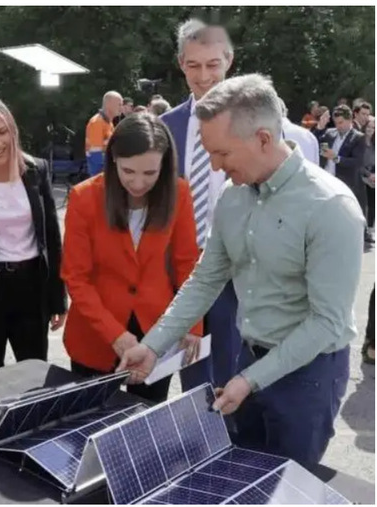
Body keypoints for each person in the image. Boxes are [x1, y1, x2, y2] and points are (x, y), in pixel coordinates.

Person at [119, 74, 365, 471]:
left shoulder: (330, 207)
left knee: (289, 485)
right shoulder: (232, 197)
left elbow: (326, 322)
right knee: (241, 476)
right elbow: (205, 279)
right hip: (247, 361)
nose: (215, 166)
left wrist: (250, 380)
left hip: (308, 377)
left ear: (263, 139)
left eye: (222, 153)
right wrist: (152, 346)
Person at [61, 113, 203, 402]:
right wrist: (115, 334)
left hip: (156, 330)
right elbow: (76, 278)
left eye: (150, 173)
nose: (138, 183)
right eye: (128, 171)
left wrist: (192, 324)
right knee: (92, 417)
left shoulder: (179, 193)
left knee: (146, 415)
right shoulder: (84, 197)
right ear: (113, 159)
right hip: (96, 332)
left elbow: (187, 264)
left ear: (165, 165)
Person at [159, 18, 241, 391]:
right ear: (181, 64)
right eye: (193, 65)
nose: (204, 76)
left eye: (212, 64)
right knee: (191, 378)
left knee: (233, 378)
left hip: (236, 276)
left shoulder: (254, 125)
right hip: (180, 274)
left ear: (229, 60)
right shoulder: (165, 127)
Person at [0, 95, 67, 370]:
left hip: (32, 287)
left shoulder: (36, 170)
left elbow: (52, 238)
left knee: (33, 372)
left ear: (13, 130)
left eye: (1, 132)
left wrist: (58, 298)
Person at [313, 105, 368, 246]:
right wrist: (319, 127)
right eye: (336, 123)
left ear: (350, 120)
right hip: (326, 180)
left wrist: (336, 158)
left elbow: (357, 162)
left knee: (343, 215)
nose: (338, 126)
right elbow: (313, 141)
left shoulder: (358, 138)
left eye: (341, 122)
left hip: (345, 183)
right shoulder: (330, 133)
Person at [85, 90, 122, 176]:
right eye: (119, 104)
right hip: (100, 173)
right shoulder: (97, 122)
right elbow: (95, 154)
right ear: (109, 104)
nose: (121, 107)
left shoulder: (108, 123)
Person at [279, 98, 319, 165]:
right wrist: (315, 122)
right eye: (315, 107)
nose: (317, 109)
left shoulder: (317, 118)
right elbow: (304, 123)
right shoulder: (307, 117)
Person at [362, 116, 375, 244]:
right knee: (363, 204)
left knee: (372, 204)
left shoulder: (374, 144)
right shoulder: (359, 142)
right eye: (369, 127)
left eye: (373, 128)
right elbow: (358, 163)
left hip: (373, 176)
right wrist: (368, 174)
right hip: (361, 175)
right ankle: (362, 230)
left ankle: (370, 231)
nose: (371, 130)